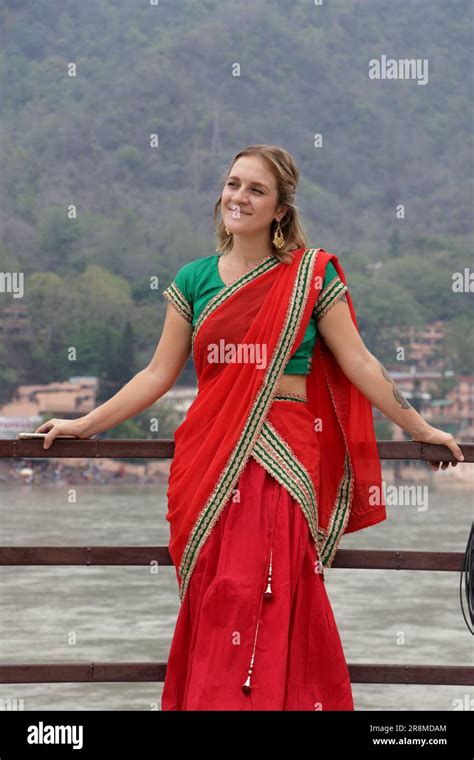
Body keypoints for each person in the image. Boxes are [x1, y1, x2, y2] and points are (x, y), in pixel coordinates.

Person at [34, 144, 464, 711]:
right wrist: (85, 424)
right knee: (220, 592)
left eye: (256, 190)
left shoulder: (310, 276)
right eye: (234, 184)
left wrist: (420, 427)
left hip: (284, 449)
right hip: (211, 456)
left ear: (281, 208)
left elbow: (361, 364)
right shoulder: (192, 279)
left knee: (269, 588)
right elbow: (158, 374)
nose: (239, 197)